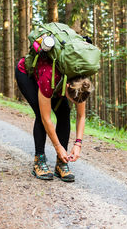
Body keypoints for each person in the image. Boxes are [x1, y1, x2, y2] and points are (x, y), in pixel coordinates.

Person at [15, 51, 93, 182]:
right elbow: (47, 118)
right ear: (67, 87)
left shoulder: (81, 82)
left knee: (64, 113)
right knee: (41, 115)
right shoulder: (49, 76)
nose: (75, 103)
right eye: (72, 100)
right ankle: (39, 160)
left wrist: (78, 144)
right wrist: (58, 147)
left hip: (57, 81)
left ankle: (61, 163)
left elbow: (81, 116)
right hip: (27, 75)